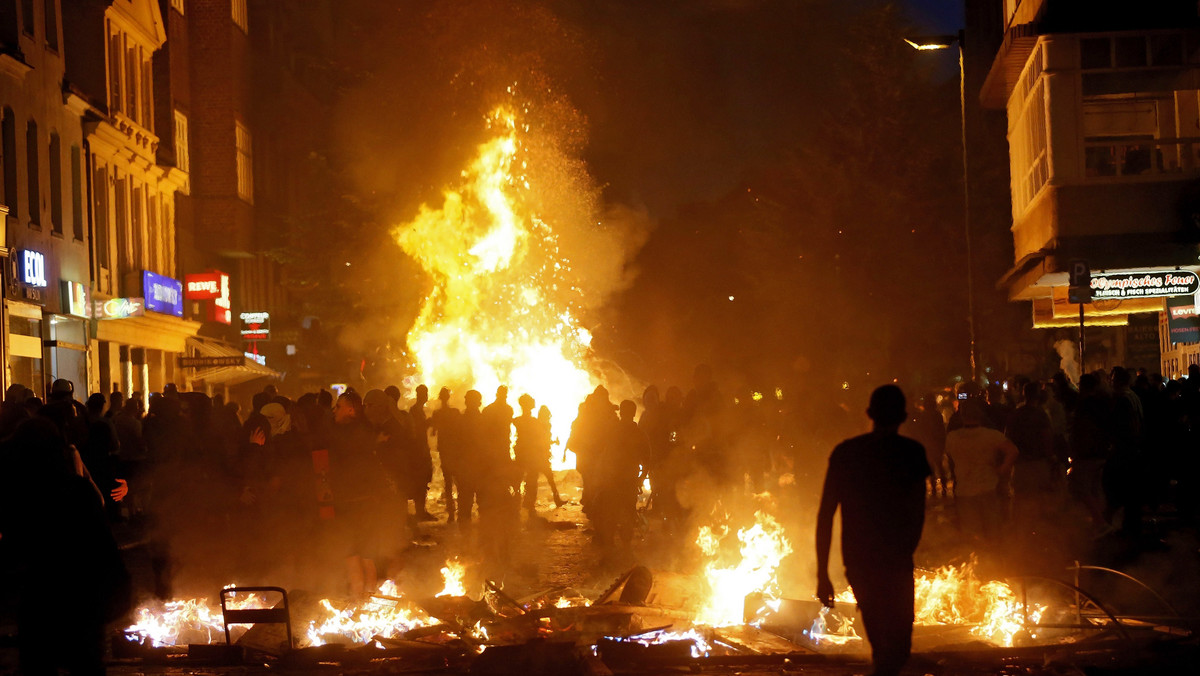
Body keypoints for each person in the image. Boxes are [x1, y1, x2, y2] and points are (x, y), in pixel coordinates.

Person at [816, 385, 929, 676]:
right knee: (898, 646)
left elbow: (826, 516)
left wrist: (823, 574)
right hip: (895, 561)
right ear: (904, 416)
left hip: (860, 561)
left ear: (869, 414)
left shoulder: (846, 453)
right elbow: (918, 511)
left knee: (882, 642)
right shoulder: (912, 453)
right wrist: (906, 551)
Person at [945, 400, 1019, 545]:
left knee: (971, 533)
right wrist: (1002, 470)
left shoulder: (952, 437)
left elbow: (950, 457)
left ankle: (977, 562)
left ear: (962, 417)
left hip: (964, 491)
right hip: (988, 488)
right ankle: (993, 561)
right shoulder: (991, 435)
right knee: (992, 531)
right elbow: (1013, 451)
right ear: (980, 417)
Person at [513, 396, 565, 514]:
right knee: (531, 480)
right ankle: (528, 504)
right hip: (533, 455)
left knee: (519, 480)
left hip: (522, 453)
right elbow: (540, 439)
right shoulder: (534, 423)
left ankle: (520, 504)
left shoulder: (517, 420)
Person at [429, 387, 462, 520]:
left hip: (445, 449)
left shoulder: (437, 413)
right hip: (455, 449)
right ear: (448, 397)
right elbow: (461, 430)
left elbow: (433, 432)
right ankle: (460, 509)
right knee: (458, 480)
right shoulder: (455, 412)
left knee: (448, 481)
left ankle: (451, 512)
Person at [407, 384, 436, 520]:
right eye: (424, 393)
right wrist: (429, 422)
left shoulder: (418, 410)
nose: (426, 396)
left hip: (421, 449)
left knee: (423, 480)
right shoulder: (415, 410)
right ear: (420, 395)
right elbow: (417, 429)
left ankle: (421, 511)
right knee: (420, 481)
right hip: (418, 450)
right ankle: (419, 512)